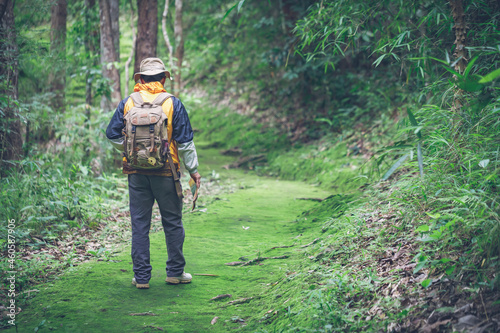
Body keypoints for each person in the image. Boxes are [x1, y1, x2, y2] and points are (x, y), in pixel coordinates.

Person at [106, 57, 201, 289]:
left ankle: (141, 278)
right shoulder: (172, 103)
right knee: (172, 222)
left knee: (140, 225)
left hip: (136, 172)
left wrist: (130, 150)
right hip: (166, 172)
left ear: (141, 79)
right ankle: (175, 273)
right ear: (162, 78)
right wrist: (194, 171)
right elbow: (185, 142)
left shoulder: (128, 102)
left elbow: (112, 134)